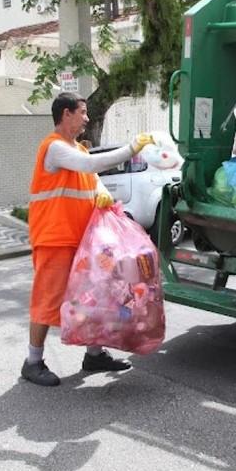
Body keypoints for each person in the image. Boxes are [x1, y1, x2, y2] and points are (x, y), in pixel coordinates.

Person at [22, 92, 155, 387]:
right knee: (48, 300)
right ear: (66, 114)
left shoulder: (76, 148)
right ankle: (32, 362)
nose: (86, 118)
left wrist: (99, 191)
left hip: (82, 239)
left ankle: (94, 354)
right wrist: (130, 148)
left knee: (92, 297)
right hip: (55, 237)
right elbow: (90, 166)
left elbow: (90, 177)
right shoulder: (54, 148)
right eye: (82, 112)